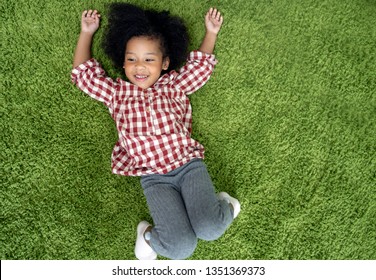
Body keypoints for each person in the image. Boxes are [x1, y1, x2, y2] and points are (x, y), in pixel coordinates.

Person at [71, 3, 240, 260]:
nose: (139, 66)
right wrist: (87, 33)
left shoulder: (173, 85)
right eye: (132, 59)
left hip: (187, 165)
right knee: (181, 248)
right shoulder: (117, 93)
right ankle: (147, 234)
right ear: (123, 62)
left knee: (211, 228)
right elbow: (84, 76)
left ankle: (225, 204)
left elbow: (200, 67)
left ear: (164, 63)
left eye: (149, 59)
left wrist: (211, 33)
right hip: (154, 178)